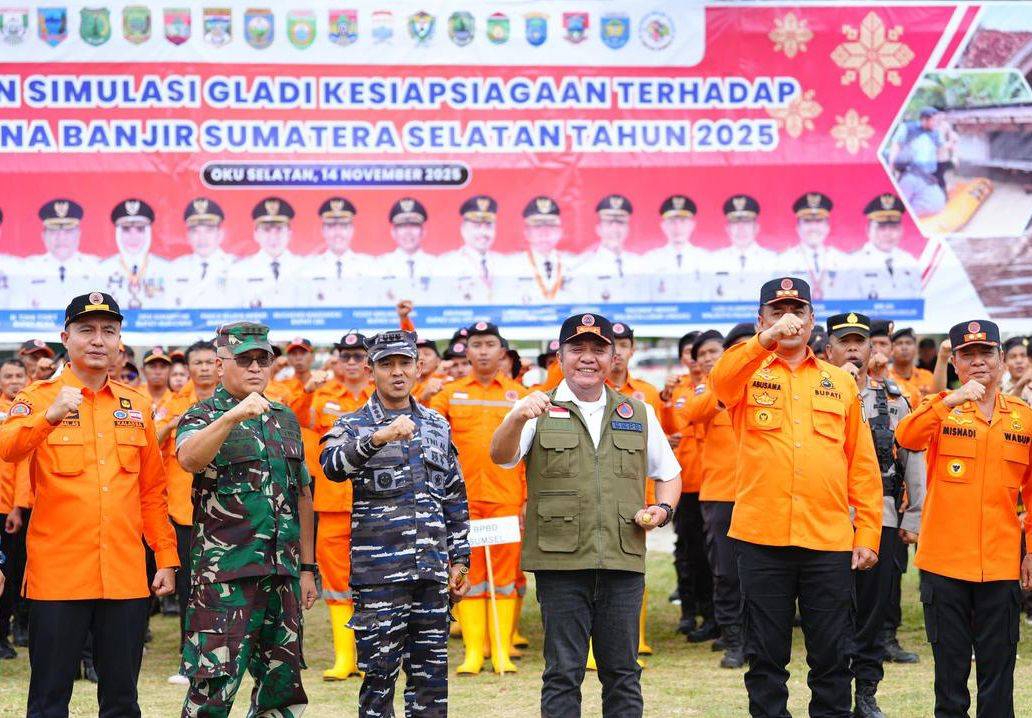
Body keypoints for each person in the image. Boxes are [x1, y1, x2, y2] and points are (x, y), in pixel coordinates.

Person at [489, 312, 682, 718]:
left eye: (599, 349)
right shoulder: (537, 408)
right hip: (560, 562)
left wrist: (662, 510)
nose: (588, 358)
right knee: (562, 672)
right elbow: (501, 457)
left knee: (623, 673)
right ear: (560, 355)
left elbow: (669, 474)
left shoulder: (637, 412)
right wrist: (515, 416)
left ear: (614, 357)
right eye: (577, 348)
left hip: (622, 558)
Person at [708, 277, 882, 716]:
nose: (790, 319)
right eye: (778, 311)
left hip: (827, 539)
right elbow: (719, 380)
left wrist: (868, 532)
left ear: (811, 321)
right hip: (761, 537)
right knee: (765, 657)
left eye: (798, 311)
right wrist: (763, 341)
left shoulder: (838, 383)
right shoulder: (746, 374)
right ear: (760, 320)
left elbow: (861, 463)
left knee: (831, 656)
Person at [0, 291, 178, 716]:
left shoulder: (136, 406)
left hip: (125, 576)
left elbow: (152, 491)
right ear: (66, 337)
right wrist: (49, 417)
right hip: (59, 576)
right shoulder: (39, 396)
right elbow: (7, 447)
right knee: (48, 699)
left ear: (119, 341)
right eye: (86, 330)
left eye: (108, 331)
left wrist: (166, 557)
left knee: (121, 699)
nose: (98, 340)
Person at [320, 330, 471, 718]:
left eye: (405, 363)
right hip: (380, 577)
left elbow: (453, 495)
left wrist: (460, 560)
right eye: (387, 364)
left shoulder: (437, 424)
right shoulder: (353, 424)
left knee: (431, 681)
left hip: (432, 573)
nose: (397, 372)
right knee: (379, 679)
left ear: (419, 368)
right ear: (372, 372)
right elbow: (332, 466)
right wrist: (378, 438)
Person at [175, 322, 318, 717]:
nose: (256, 367)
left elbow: (303, 493)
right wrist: (231, 418)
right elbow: (189, 458)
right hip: (225, 580)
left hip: (281, 574)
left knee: (283, 687)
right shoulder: (203, 414)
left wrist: (307, 568)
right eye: (244, 359)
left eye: (263, 359)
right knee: (213, 688)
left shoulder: (284, 417)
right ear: (221, 365)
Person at [895, 319, 1032, 717]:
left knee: (998, 674)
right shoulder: (940, 409)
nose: (977, 362)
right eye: (967, 355)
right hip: (945, 563)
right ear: (954, 362)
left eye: (985, 353)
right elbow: (907, 438)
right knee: (950, 677)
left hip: (1001, 562)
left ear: (1002, 360)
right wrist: (950, 401)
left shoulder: (1024, 417)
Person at [823, 312, 926, 717]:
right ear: (828, 349)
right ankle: (832, 694)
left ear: (872, 348)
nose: (852, 348)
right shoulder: (817, 394)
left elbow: (912, 456)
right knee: (830, 609)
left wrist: (914, 515)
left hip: (879, 514)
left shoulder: (894, 399)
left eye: (860, 342)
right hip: (827, 517)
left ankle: (866, 691)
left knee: (871, 611)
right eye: (844, 342)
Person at [430, 321, 527, 674]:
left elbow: (530, 453)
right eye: (476, 344)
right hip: (460, 500)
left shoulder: (519, 394)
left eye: (490, 344)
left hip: (505, 497)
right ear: (465, 351)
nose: (483, 351)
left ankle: (500, 649)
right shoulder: (448, 394)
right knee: (462, 570)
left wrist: (526, 501)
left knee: (503, 575)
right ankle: (473, 652)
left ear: (503, 351)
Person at [607, 321, 691, 658]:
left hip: (638, 495)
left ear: (633, 350)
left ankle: (635, 636)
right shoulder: (585, 391)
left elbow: (669, 436)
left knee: (633, 567)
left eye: (623, 345)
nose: (617, 353)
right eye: (610, 346)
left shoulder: (647, 392)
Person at [681, 329, 750, 669]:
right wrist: (724, 385)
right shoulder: (708, 388)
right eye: (703, 354)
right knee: (726, 571)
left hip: (759, 493)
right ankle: (734, 640)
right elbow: (692, 413)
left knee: (760, 572)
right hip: (721, 495)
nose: (709, 358)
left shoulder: (766, 387)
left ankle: (756, 637)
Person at [154, 340, 220, 685]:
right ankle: (189, 658)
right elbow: (150, 441)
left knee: (222, 586)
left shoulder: (230, 401)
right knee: (188, 589)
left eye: (211, 361)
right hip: (182, 511)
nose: (205, 368)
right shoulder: (173, 402)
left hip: (224, 509)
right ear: (189, 367)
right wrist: (171, 424)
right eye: (199, 363)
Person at [0, 358, 30, 659]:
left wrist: (18, 507)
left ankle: (12, 631)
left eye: (19, 375)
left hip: (15, 509)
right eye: (7, 376)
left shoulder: (31, 410)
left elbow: (24, 464)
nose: (13, 380)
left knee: (15, 573)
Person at [15, 199, 98, 309]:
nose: (61, 238)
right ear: (43, 236)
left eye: (68, 231)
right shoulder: (27, 269)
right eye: (54, 231)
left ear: (78, 234)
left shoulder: (96, 267)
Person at [573, 195, 647, 302]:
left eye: (620, 223)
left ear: (627, 228)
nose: (615, 229)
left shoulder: (641, 264)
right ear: (598, 228)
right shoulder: (584, 266)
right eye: (609, 223)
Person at [779, 193, 852, 300]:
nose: (813, 227)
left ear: (827, 226)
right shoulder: (784, 261)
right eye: (807, 221)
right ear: (798, 227)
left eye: (819, 221)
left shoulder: (843, 260)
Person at [101, 198, 169, 309]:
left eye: (140, 229)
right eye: (126, 229)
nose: (133, 237)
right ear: (118, 233)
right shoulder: (102, 268)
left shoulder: (165, 267)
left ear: (148, 232)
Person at [234, 197, 301, 308]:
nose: (273, 237)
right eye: (266, 230)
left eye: (279, 229)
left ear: (289, 233)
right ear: (256, 234)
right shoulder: (239, 271)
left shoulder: (304, 268)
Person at [852, 194, 922, 300]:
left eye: (893, 227)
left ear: (901, 230)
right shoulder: (853, 262)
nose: (888, 233)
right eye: (881, 227)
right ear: (868, 230)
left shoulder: (909, 260)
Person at [167, 198, 233, 308]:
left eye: (209, 231)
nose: (202, 239)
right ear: (188, 236)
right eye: (195, 231)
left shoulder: (235, 266)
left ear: (220, 234)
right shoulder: (175, 267)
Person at [711, 195, 779, 301]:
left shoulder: (773, 260)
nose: (740, 229)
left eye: (746, 223)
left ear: (756, 227)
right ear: (727, 228)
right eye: (735, 223)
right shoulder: (715, 260)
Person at [441, 195, 506, 303]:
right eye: (476, 226)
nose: (483, 233)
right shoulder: (447, 264)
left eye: (489, 226)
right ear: (463, 229)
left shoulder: (505, 263)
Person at [306, 197, 370, 304]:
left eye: (344, 226)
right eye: (331, 226)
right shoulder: (310, 269)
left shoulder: (368, 267)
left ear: (352, 230)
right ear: (323, 231)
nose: (337, 233)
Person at [512, 196, 573, 302]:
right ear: (526, 231)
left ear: (560, 231)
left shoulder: (574, 263)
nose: (544, 232)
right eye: (537, 226)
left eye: (551, 225)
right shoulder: (512, 265)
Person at [888, 107, 946, 216]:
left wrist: (941, 167)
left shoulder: (936, 132)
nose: (936, 123)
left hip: (929, 172)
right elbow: (896, 144)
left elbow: (940, 148)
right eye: (934, 120)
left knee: (926, 193)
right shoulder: (907, 128)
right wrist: (892, 164)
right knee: (907, 194)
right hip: (910, 171)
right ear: (924, 120)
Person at [890, 327, 935, 400]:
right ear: (891, 349)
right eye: (899, 343)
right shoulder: (886, 377)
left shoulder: (927, 376)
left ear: (916, 349)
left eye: (908, 343)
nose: (904, 347)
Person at [1002, 336, 1032, 403]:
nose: (1019, 361)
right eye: (1013, 357)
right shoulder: (999, 388)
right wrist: (1020, 385)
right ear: (1004, 362)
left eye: (1023, 355)